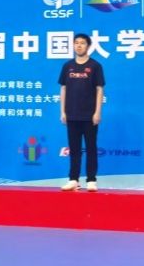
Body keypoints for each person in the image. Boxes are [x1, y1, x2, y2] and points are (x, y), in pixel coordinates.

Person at [59, 33, 105, 192]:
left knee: (91, 147)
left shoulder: (95, 66)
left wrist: (97, 112)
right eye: (76, 43)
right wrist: (63, 111)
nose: (79, 46)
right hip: (71, 114)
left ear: (88, 46)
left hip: (89, 115)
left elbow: (99, 90)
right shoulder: (67, 66)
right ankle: (73, 179)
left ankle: (91, 180)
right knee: (74, 149)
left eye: (82, 43)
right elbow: (63, 88)